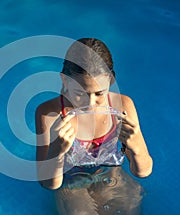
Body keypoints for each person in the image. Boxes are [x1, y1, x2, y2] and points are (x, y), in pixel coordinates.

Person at [35, 38, 153, 214]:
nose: (90, 103)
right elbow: (48, 184)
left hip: (113, 179)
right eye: (79, 94)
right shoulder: (49, 113)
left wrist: (135, 145)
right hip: (72, 186)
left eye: (99, 93)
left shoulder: (123, 106)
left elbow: (142, 172)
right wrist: (56, 151)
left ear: (111, 80)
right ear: (65, 81)